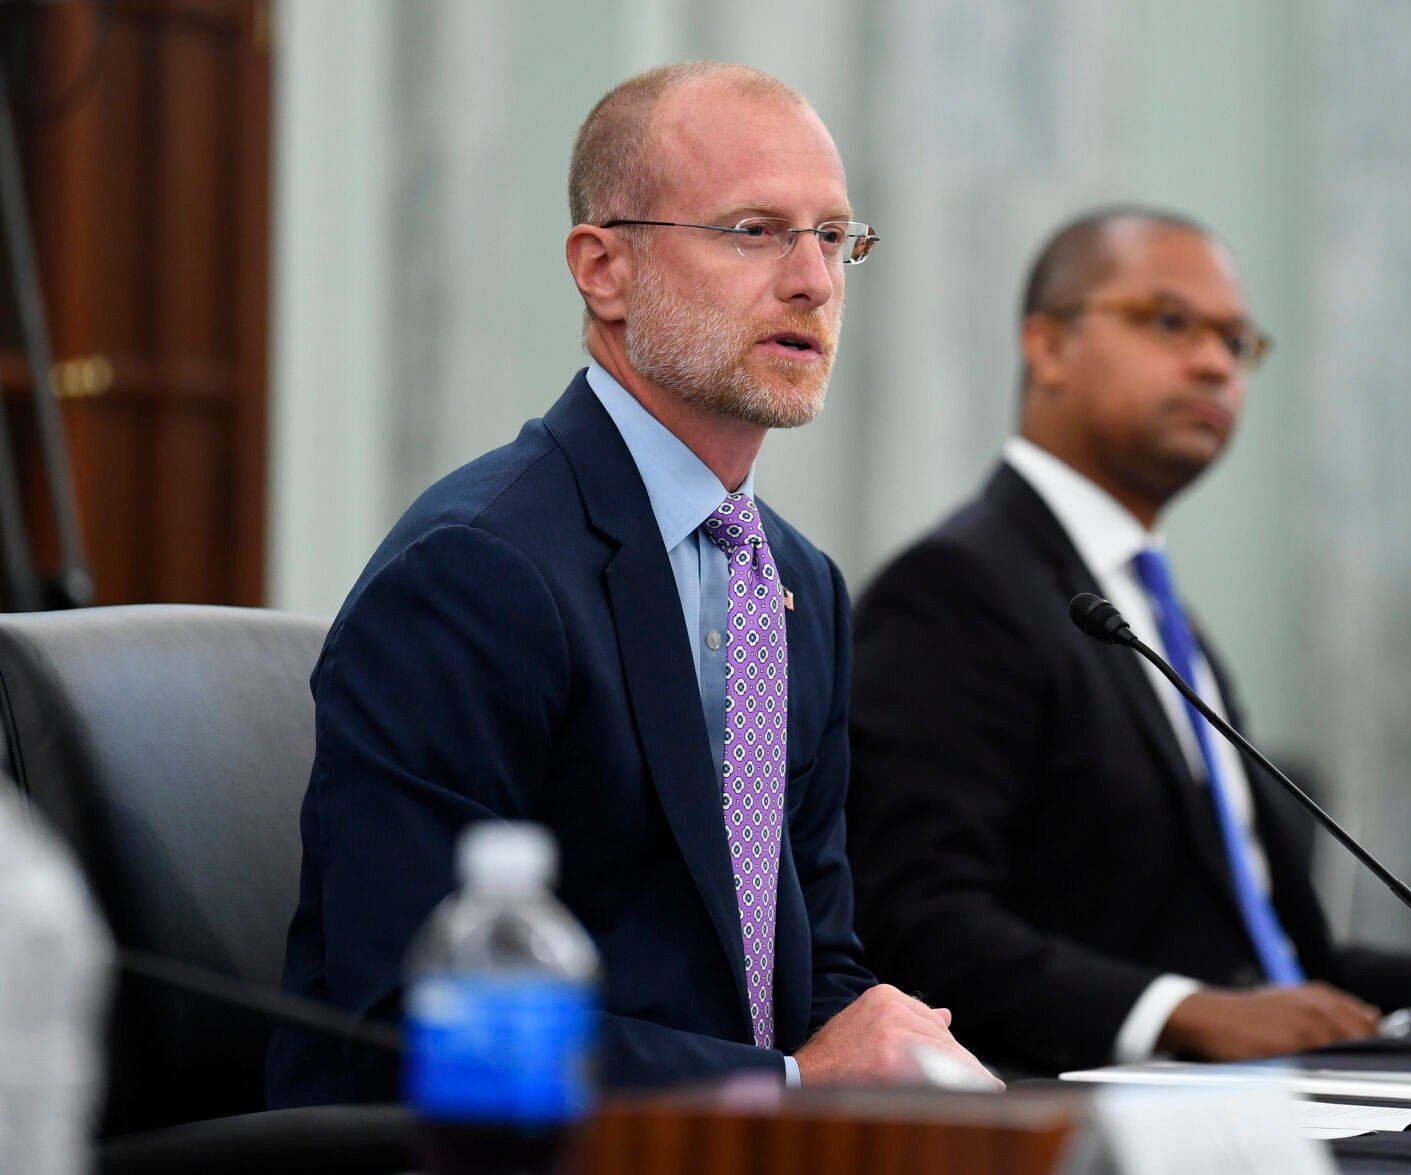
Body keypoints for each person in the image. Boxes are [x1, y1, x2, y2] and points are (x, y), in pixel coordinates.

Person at [266, 61, 996, 1106]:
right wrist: (789, 1080)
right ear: (603, 269)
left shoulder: (796, 583)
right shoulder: (476, 573)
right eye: (753, 230)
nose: (813, 281)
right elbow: (415, 1025)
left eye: (833, 236)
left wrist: (894, 1052)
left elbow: (810, 962)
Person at [846, 207, 1411, 1076]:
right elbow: (920, 922)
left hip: (1271, 1089)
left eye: (1236, 341)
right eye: (1168, 322)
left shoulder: (1152, 610)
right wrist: (1179, 1013)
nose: (1213, 361)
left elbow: (1271, 958)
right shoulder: (957, 588)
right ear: (1047, 346)